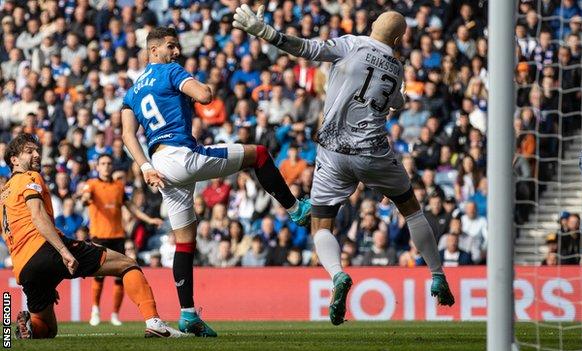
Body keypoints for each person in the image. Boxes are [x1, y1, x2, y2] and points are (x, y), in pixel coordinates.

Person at [233, 6, 454, 326]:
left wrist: (266, 32)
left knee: (321, 225)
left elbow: (306, 48)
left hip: (334, 151)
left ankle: (338, 276)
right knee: (412, 210)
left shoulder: (353, 44)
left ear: (382, 29)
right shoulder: (396, 68)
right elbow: (397, 103)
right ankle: (437, 275)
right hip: (374, 153)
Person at [120, 27, 311, 337]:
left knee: (185, 240)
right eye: (171, 46)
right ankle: (295, 209)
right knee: (259, 154)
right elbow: (206, 96)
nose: (176, 51)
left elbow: (128, 134)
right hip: (183, 155)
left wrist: (143, 166)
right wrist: (201, 83)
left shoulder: (132, 91)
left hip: (160, 166)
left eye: (177, 46)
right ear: (153, 51)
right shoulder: (170, 70)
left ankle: (188, 315)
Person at [1, 134, 185, 339]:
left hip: (24, 267)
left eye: (37, 150)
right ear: (14, 160)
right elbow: (37, 215)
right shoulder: (30, 178)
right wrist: (63, 251)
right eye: (29, 151)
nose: (37, 155)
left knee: (47, 328)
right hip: (47, 247)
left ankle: (29, 326)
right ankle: (154, 323)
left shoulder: (3, 193)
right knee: (128, 265)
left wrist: (45, 273)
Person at [81, 154, 164, 327]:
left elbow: (131, 206)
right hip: (99, 236)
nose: (106, 166)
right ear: (97, 167)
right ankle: (95, 310)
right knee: (100, 275)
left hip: (118, 236)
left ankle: (114, 314)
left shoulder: (119, 186)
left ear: (112, 166)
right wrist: (85, 198)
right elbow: (85, 198)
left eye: (108, 163)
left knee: (120, 276)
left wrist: (149, 220)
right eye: (102, 163)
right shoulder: (92, 185)